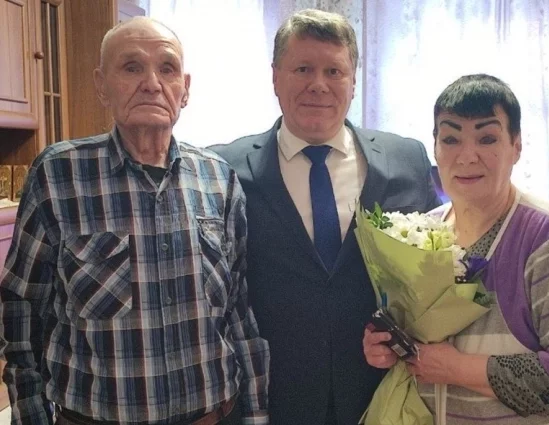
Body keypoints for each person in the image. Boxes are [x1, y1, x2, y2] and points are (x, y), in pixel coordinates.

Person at [0, 17, 269, 425]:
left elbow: (238, 310)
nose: (151, 83)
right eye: (131, 67)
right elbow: (22, 310)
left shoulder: (219, 179)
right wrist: (31, 415)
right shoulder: (58, 175)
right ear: (101, 85)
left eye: (167, 68)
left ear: (185, 90)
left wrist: (256, 413)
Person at [209, 8, 441, 425]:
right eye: (303, 69)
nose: (318, 84)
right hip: (273, 397)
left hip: (382, 393)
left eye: (334, 71)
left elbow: (432, 277)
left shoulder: (407, 158)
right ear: (275, 77)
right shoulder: (224, 168)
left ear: (353, 81)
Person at [363, 74, 549, 424]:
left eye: (487, 138)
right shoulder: (420, 235)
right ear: (435, 148)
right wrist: (387, 346)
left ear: (516, 146)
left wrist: (458, 368)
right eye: (451, 139)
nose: (467, 156)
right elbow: (419, 343)